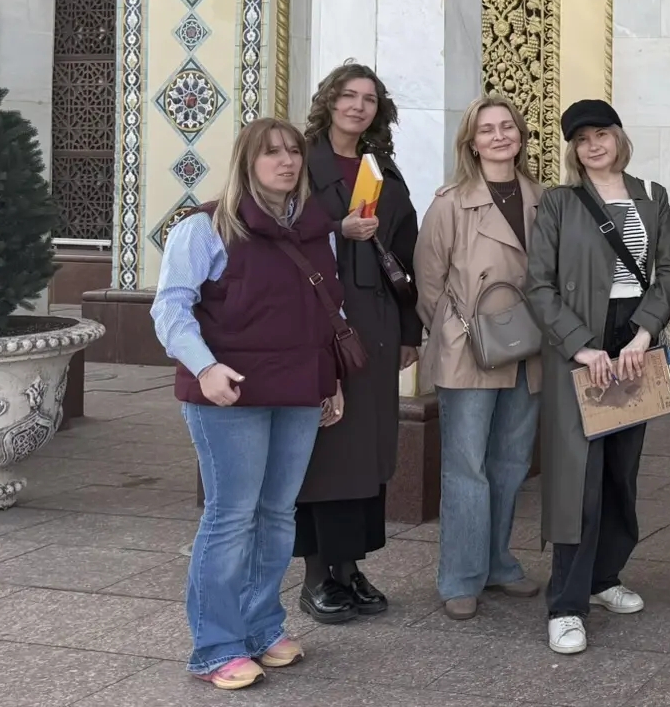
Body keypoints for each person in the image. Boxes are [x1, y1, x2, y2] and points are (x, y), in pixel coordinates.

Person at [153, 118, 346, 689]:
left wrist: (330, 379)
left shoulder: (316, 230)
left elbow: (327, 313)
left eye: (293, 152)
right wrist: (204, 366)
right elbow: (170, 308)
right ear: (246, 162)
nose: (286, 162)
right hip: (228, 392)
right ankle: (216, 646)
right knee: (231, 515)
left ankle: (262, 626)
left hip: (299, 389)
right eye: (271, 153)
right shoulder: (206, 226)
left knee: (278, 513)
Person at [525, 100, 670, 653]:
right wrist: (581, 346)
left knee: (621, 470)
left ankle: (604, 576)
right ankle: (566, 605)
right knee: (579, 480)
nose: (593, 145)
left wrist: (644, 333)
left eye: (601, 134)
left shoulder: (652, 195)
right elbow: (538, 284)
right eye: (582, 139)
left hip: (634, 338)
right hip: (580, 343)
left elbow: (669, 271)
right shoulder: (560, 201)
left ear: (618, 137)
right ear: (573, 149)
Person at [295, 62, 421, 623]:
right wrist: (335, 230)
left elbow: (406, 254)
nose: (358, 106)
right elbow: (273, 232)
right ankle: (316, 575)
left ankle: (349, 567)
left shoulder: (381, 168)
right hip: (320, 322)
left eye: (369, 98)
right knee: (327, 446)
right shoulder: (300, 162)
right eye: (348, 95)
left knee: (368, 449)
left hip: (378, 327)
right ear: (329, 101)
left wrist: (410, 331)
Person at [413, 95, 545, 621]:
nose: (499, 136)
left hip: (529, 347)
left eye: (507, 126)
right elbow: (428, 282)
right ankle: (461, 577)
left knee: (511, 463)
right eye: (487, 129)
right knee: (467, 466)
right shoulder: (450, 204)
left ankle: (498, 564)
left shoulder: (543, 198)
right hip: (469, 349)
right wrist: (456, 331)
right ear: (471, 142)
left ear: (521, 136)